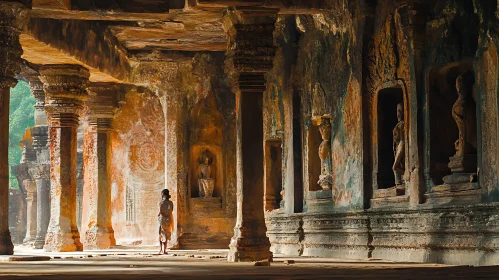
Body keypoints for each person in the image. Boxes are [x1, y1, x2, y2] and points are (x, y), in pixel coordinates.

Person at [157, 189, 174, 255]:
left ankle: (161, 249)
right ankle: (165, 250)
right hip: (169, 220)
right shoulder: (171, 203)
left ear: (163, 194)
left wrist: (158, 214)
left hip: (162, 220)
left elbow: (160, 211)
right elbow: (171, 210)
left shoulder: (161, 203)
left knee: (161, 235)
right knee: (166, 235)